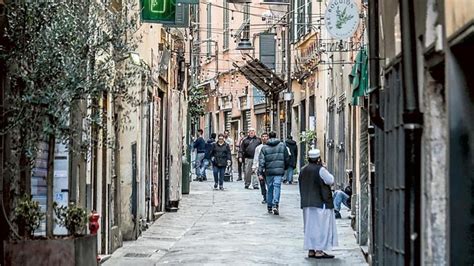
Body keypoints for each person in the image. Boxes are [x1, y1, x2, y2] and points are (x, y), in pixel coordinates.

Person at [298, 149, 338, 259]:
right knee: (321, 227)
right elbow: (331, 180)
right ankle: (319, 250)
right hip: (321, 203)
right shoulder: (321, 170)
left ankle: (311, 249)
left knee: (309, 227)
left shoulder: (303, 169)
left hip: (307, 203)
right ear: (318, 158)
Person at [258, 131, 289, 215]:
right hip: (279, 170)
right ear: (276, 136)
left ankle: (269, 205)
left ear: (269, 137)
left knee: (270, 188)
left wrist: (260, 172)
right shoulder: (282, 145)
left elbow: (261, 161)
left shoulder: (264, 148)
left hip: (269, 171)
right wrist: (284, 168)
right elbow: (286, 158)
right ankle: (275, 204)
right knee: (277, 187)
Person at [252, 132, 269, 204]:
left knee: (269, 183)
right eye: (263, 136)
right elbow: (256, 157)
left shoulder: (270, 146)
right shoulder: (258, 148)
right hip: (260, 168)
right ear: (261, 138)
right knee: (262, 183)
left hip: (268, 167)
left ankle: (270, 196)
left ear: (268, 137)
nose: (264, 138)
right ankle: (265, 196)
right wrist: (254, 166)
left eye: (266, 136)